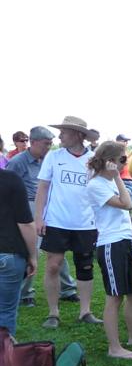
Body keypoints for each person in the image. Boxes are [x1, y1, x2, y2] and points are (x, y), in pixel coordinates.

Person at [86, 142, 132, 359]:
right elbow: (128, 204)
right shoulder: (96, 185)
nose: (125, 164)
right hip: (111, 245)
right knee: (115, 297)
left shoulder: (109, 182)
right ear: (109, 161)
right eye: (123, 160)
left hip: (125, 242)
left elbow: (125, 215)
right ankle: (114, 348)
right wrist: (118, 176)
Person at [34, 116, 104, 329]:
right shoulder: (54, 156)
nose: (60, 135)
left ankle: (85, 311)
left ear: (78, 135)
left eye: (64, 132)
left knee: (85, 266)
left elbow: (101, 190)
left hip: (86, 222)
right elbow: (43, 188)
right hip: (57, 221)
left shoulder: (94, 159)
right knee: (53, 265)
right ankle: (53, 313)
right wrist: (39, 217)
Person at [7, 126, 78, 307]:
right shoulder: (17, 162)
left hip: (51, 205)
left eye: (50, 143)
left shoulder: (50, 159)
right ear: (33, 142)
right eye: (46, 143)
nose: (49, 147)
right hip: (28, 206)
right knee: (34, 249)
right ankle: (25, 293)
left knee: (56, 249)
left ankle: (68, 289)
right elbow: (8, 189)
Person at [0, 168, 37, 336]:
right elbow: (25, 223)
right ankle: (4, 352)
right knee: (5, 312)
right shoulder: (10, 179)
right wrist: (33, 256)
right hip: (8, 253)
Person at [115, 133, 132, 210]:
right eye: (124, 141)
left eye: (127, 141)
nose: (126, 143)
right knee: (126, 207)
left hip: (131, 181)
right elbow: (120, 165)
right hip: (123, 181)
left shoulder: (126, 153)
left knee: (130, 207)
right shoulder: (116, 153)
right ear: (117, 142)